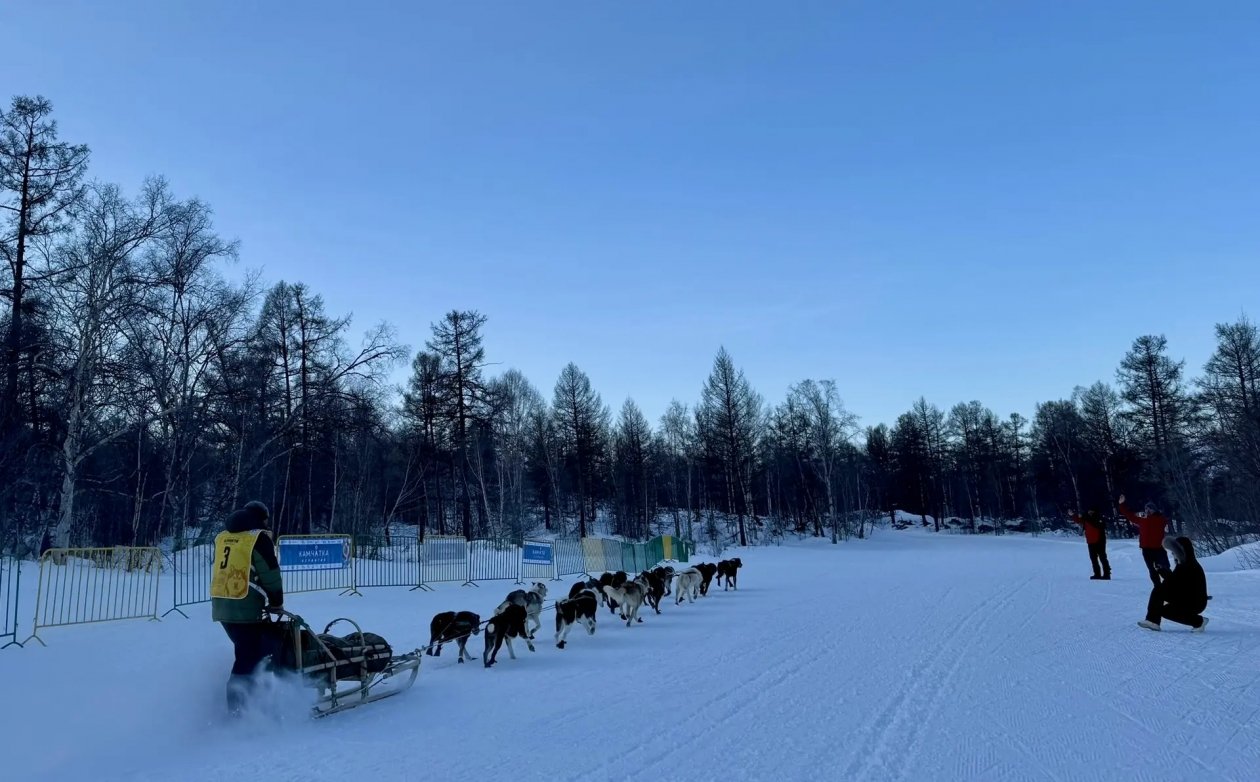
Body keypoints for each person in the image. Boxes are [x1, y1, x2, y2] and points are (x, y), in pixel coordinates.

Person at [209, 501, 284, 714]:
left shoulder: (224, 536)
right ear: (261, 518)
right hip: (245, 607)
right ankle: (238, 710)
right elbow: (271, 574)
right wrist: (277, 601)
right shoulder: (257, 539)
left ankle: (255, 697)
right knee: (248, 657)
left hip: (222, 605)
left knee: (252, 652)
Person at [1139, 535, 1208, 632]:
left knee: (1159, 590)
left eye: (1174, 552)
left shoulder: (1190, 566)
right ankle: (1198, 622)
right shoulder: (1182, 565)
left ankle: (1153, 620)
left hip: (1195, 602)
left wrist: (1164, 572)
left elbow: (1176, 584)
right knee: (1164, 609)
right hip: (1186, 597)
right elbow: (1173, 582)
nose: (1173, 554)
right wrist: (1163, 571)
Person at [1116, 494, 1169, 586]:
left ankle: (1173, 586)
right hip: (1146, 550)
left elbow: (1166, 517)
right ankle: (1158, 588)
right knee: (1152, 570)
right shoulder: (1142, 520)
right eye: (1146, 509)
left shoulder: (1161, 519)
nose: (1148, 510)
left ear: (1154, 510)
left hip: (1158, 549)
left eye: (1150, 509)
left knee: (1164, 570)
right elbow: (1129, 515)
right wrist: (1121, 504)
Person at [1068, 508, 1110, 580]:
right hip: (1090, 541)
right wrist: (1073, 515)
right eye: (1089, 510)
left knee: (1102, 558)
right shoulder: (1085, 517)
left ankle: (1106, 574)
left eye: (1092, 510)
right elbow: (1078, 520)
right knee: (1093, 558)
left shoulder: (1098, 517)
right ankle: (1097, 574)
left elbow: (1102, 525)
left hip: (1100, 540)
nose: (1090, 512)